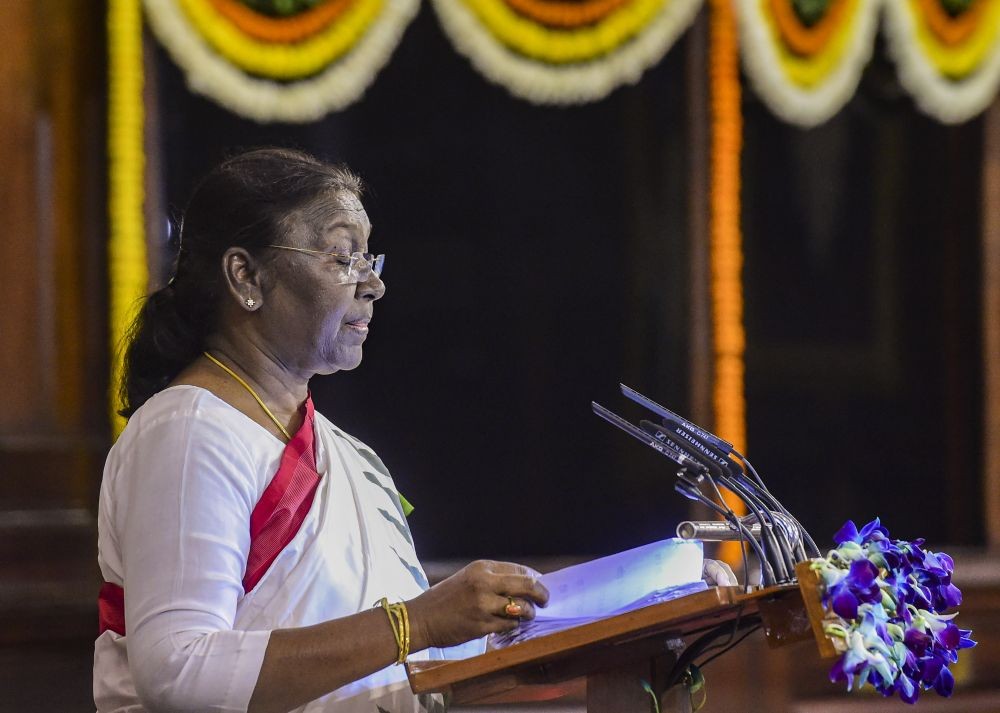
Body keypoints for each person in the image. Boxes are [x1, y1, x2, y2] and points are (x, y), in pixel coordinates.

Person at [94, 147, 735, 713]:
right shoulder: (190, 430)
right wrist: (417, 623)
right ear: (246, 276)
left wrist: (645, 605)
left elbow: (403, 658)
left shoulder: (347, 455)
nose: (373, 284)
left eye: (369, 257)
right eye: (343, 257)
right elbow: (179, 671)